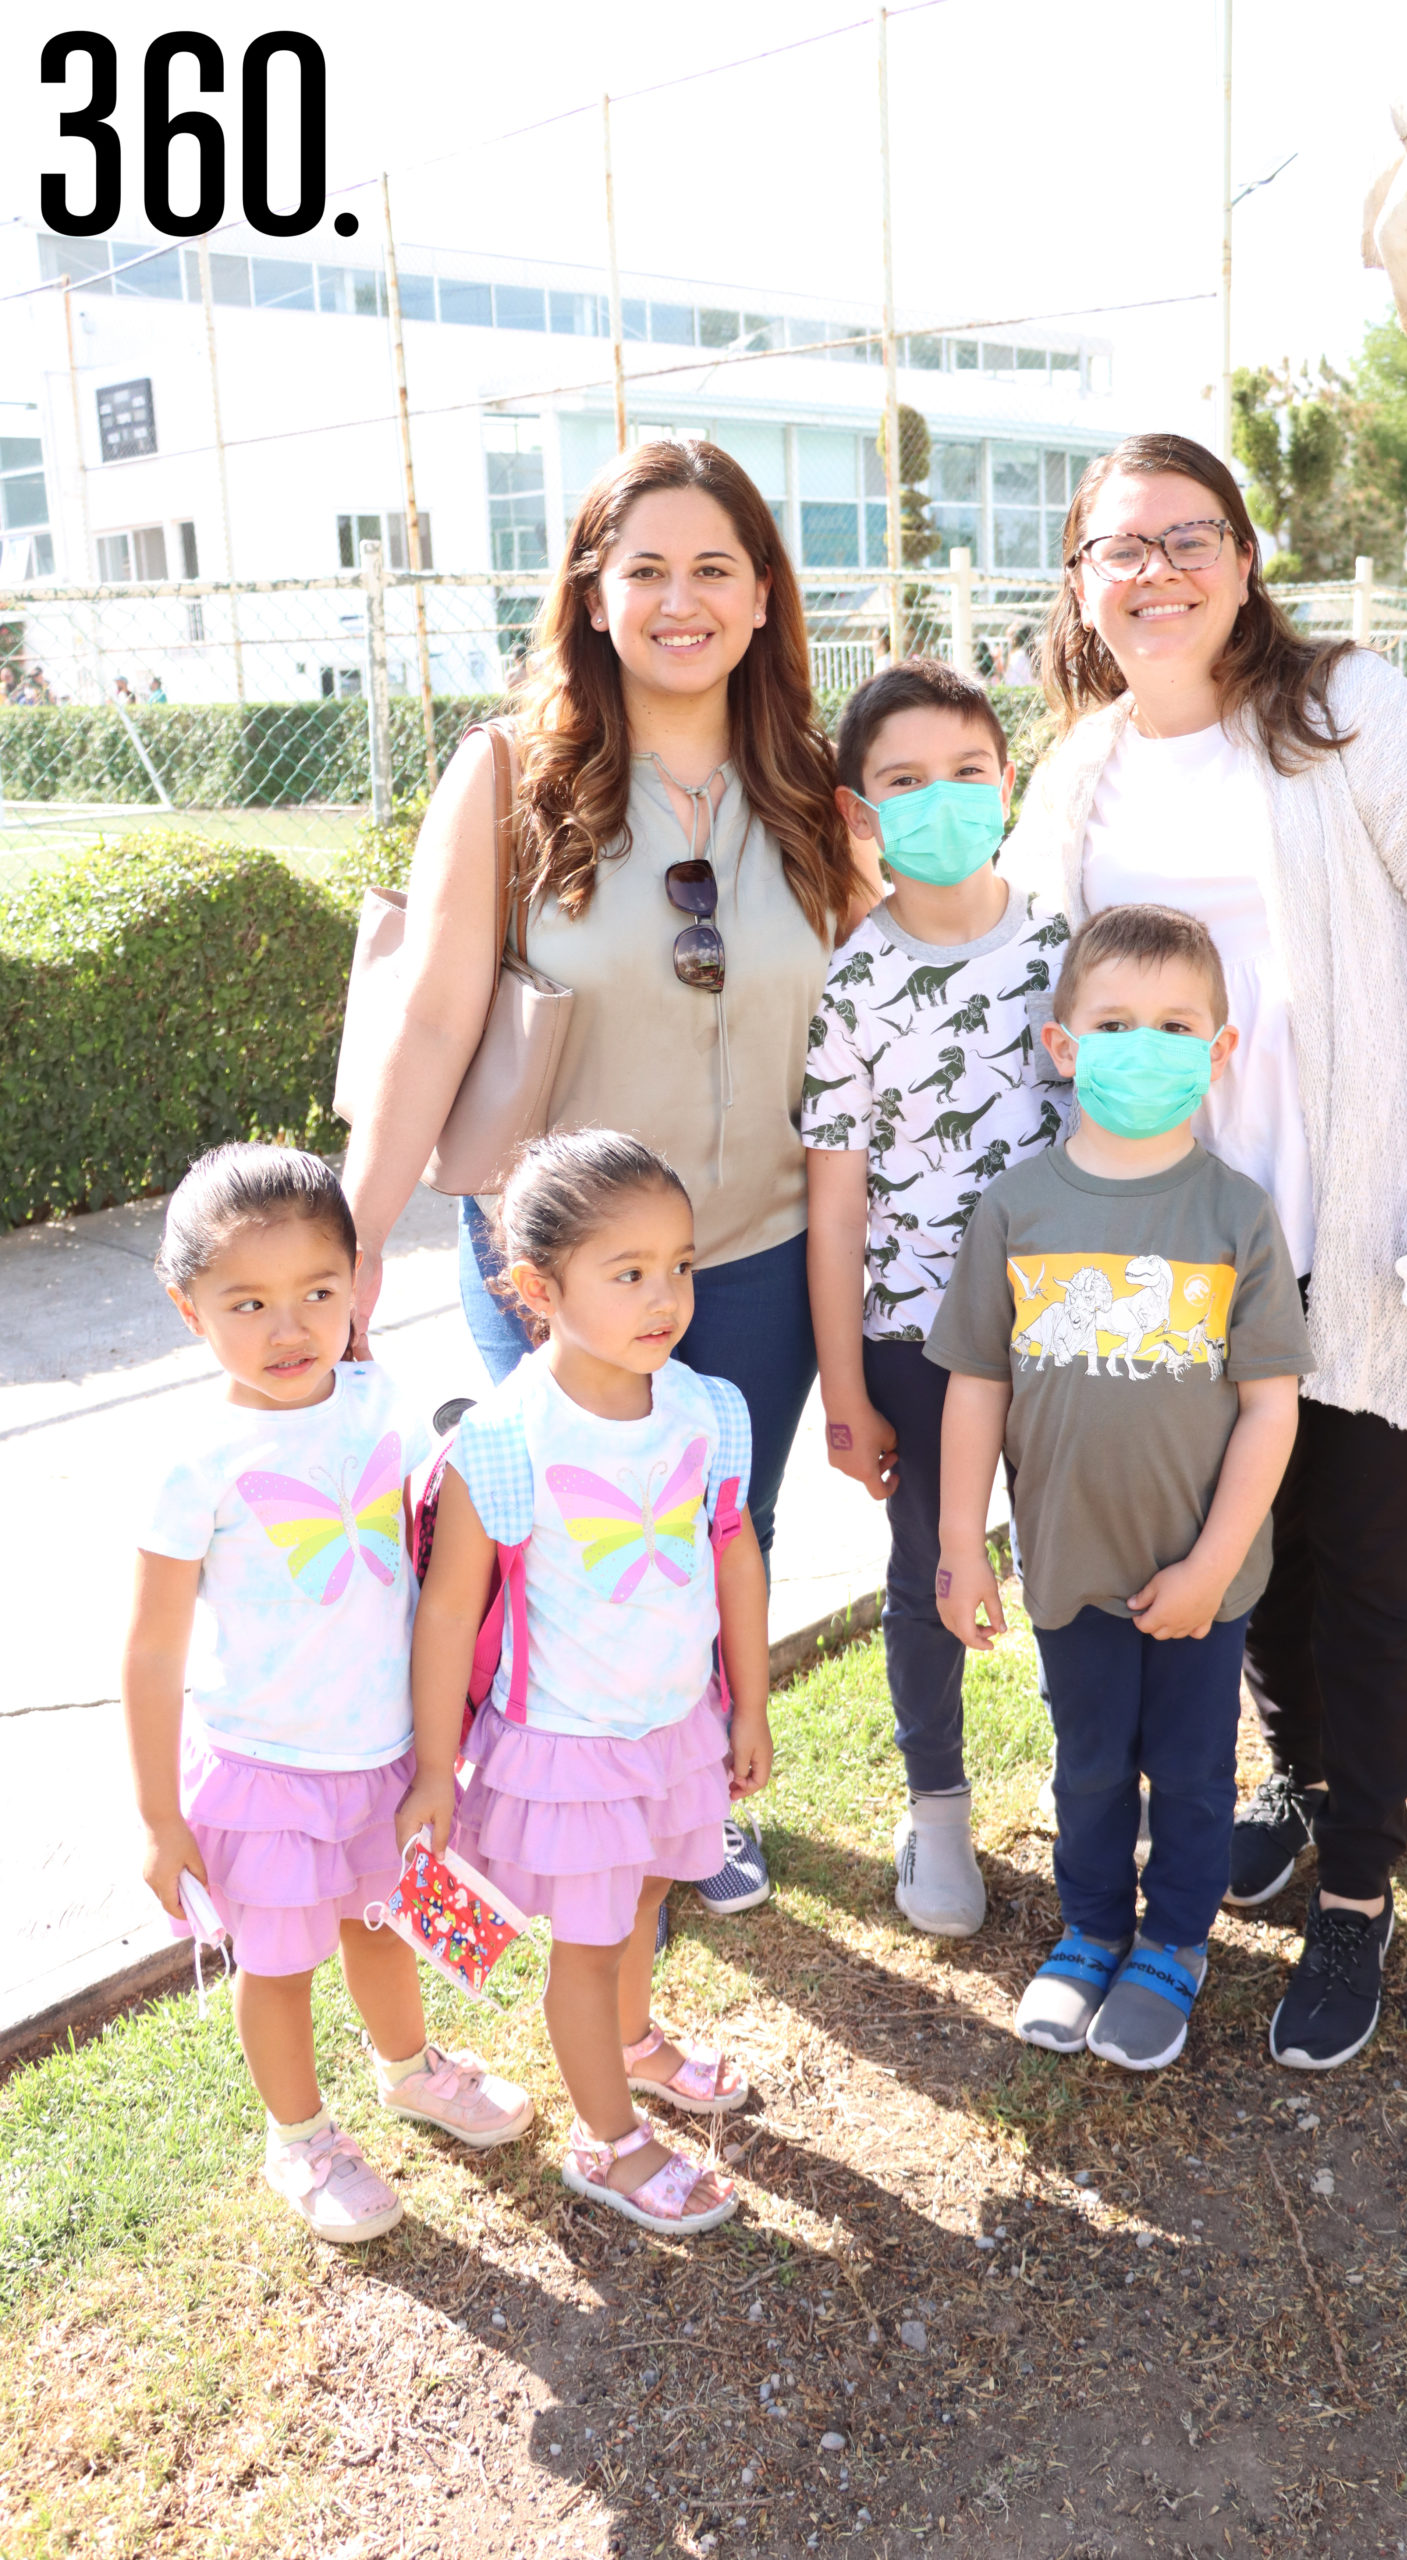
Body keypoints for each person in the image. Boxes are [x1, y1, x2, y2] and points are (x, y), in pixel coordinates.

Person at [1004, 431, 1407, 2070]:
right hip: (1175, 1272)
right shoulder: (1079, 777)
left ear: (1245, 563)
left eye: (1190, 539)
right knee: (1246, 1561)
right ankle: (1303, 1790)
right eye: (1121, 549)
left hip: (1372, 1225)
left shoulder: (1345, 719)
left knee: (1376, 1560)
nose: (1156, 572)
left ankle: (1360, 1893)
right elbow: (1029, 1016)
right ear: (1082, 587)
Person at [340, 438, 871, 1921]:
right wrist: (356, 1232)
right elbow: (435, 1017)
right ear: (591, 592)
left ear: (763, 598)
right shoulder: (509, 775)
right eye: (644, 569)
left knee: (708, 1548)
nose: (679, 599)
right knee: (559, 1565)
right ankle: (542, 1821)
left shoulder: (812, 798)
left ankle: (688, 1794)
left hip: (752, 1257)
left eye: (713, 569)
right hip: (560, 1266)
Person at [123, 1145, 533, 2248]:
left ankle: (409, 2068)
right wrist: (162, 1817)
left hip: (387, 1750)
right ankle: (297, 2133)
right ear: (186, 1307)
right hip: (267, 1770)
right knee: (281, 1962)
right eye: (246, 1301)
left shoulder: (378, 1397)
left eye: (317, 1290)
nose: (289, 1325)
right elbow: (152, 1652)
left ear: (358, 1281)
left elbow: (432, 1539)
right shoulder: (192, 1459)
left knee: (387, 1925)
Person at [930, 906, 1312, 2070]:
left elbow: (1270, 1407)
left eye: (1174, 1024)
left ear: (1220, 1049)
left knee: (1193, 1772)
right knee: (1089, 1759)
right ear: (1062, 1045)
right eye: (1114, 1022)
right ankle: (1094, 1929)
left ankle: (1175, 1945)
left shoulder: (1236, 1214)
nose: (1144, 1044)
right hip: (1067, 1564)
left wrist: (1210, 1565)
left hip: (1204, 1572)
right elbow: (977, 1386)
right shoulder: (1018, 1210)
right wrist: (960, 1539)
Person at [409, 1130, 771, 2237]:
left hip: (674, 1722)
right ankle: (607, 2142)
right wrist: (433, 1767)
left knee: (653, 1893)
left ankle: (634, 2041)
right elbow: (446, 1616)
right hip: (566, 1746)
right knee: (591, 1935)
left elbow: (734, 1557)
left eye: (680, 1264)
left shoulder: (706, 1411)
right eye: (629, 1273)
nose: (666, 1296)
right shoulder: (507, 1441)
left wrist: (747, 1701)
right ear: (536, 1287)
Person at [803, 658, 1066, 1937]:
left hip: (1070, 1336)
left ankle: (1097, 1790)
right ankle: (940, 1804)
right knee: (925, 1574)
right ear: (862, 813)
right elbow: (838, 1203)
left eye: (967, 773)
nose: (942, 801)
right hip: (912, 1335)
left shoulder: (1067, 952)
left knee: (1077, 1561)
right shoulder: (853, 984)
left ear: (1006, 783)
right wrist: (846, 1389)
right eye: (905, 782)